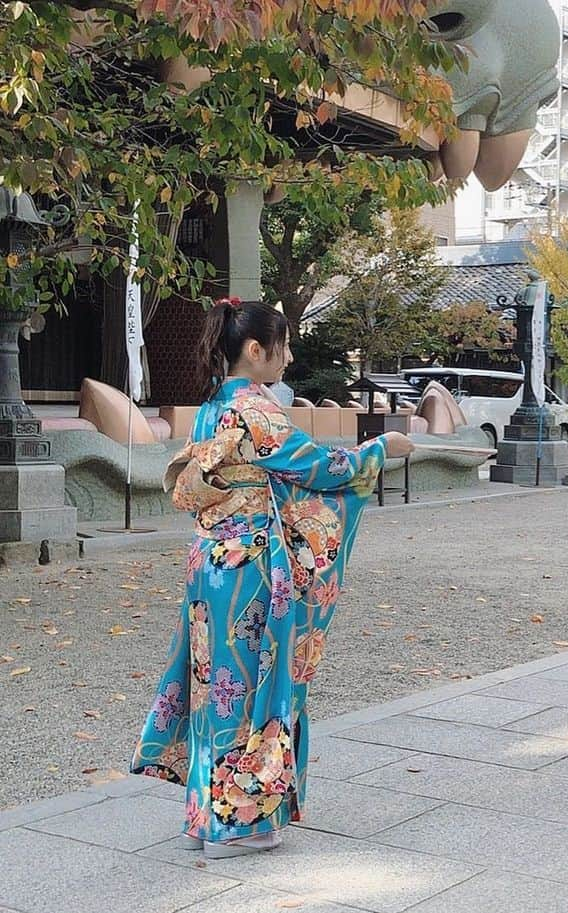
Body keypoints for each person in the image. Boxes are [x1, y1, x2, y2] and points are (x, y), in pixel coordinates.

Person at [130, 298, 414, 859]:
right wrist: (381, 449)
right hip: (254, 565)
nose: (288, 357)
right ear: (256, 351)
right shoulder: (257, 410)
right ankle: (239, 823)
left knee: (216, 683)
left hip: (211, 560)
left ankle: (204, 815)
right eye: (282, 347)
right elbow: (320, 467)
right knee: (253, 682)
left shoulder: (212, 407)